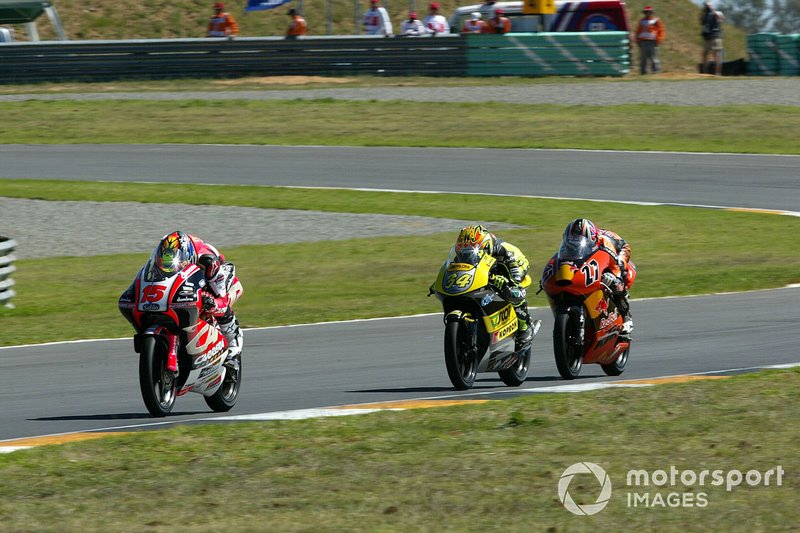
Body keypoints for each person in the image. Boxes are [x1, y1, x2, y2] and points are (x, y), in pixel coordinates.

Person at [150, 231, 244, 357]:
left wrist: (212, 302)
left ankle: (233, 341)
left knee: (215, 302)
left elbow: (221, 299)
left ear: (187, 256)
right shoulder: (165, 256)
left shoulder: (208, 261)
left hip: (216, 273)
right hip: (190, 270)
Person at [454, 225, 535, 347]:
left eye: (470, 253)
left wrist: (511, 283)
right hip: (491, 270)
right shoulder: (465, 252)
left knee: (513, 292)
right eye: (464, 253)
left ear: (485, 247)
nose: (467, 256)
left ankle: (526, 326)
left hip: (515, 265)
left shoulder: (504, 251)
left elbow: (514, 270)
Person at [562, 219, 633, 339]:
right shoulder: (570, 240)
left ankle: (626, 316)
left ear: (593, 239)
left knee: (614, 280)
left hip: (619, 251)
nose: (574, 243)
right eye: (572, 241)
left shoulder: (604, 242)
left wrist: (615, 275)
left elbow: (614, 266)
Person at [634, 6, 665, 74]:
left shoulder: (656, 20)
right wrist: (637, 40)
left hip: (653, 42)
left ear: (651, 12)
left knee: (654, 58)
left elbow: (661, 31)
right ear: (644, 13)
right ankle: (643, 72)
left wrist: (659, 40)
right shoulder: (641, 21)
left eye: (649, 12)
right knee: (643, 58)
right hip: (643, 42)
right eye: (646, 12)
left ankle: (655, 71)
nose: (648, 13)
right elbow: (638, 31)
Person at [700, 2, 724, 75]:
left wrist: (712, 10)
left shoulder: (717, 13)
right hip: (707, 36)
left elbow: (721, 17)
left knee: (716, 54)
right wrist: (703, 12)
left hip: (715, 36)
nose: (707, 7)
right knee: (705, 54)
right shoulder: (705, 14)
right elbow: (701, 22)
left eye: (708, 6)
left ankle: (717, 72)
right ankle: (705, 71)